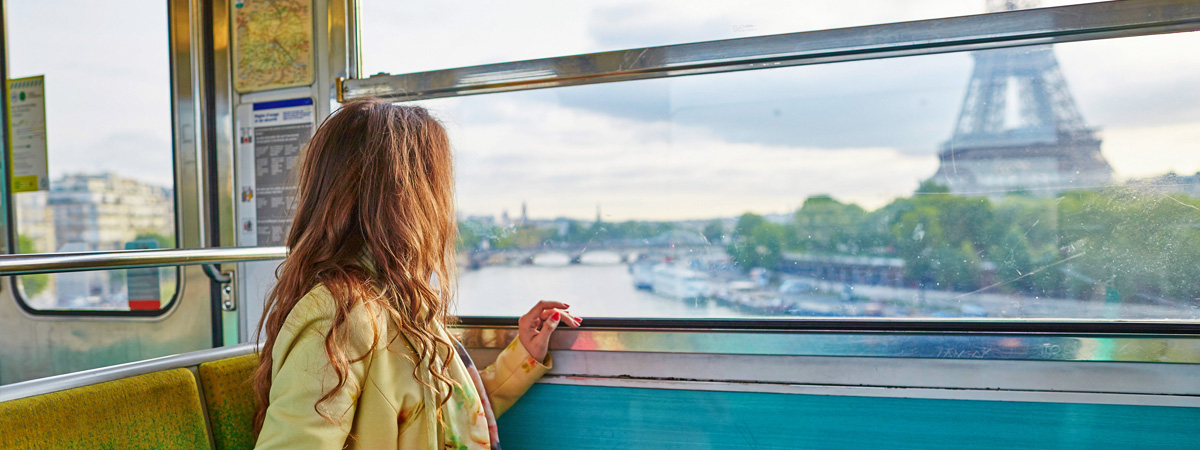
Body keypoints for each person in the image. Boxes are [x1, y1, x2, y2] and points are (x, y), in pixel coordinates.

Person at [251, 99, 582, 449]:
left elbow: (449, 420)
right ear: (407, 201)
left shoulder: (400, 301)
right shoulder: (340, 318)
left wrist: (523, 355)